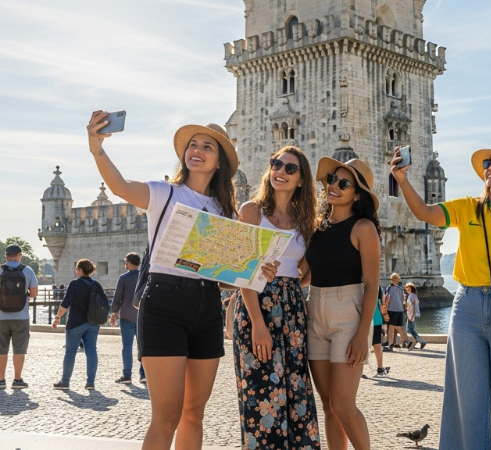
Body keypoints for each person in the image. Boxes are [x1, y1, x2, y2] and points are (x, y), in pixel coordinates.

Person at [86, 111, 238, 450]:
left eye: (207, 147)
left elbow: (227, 275)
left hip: (208, 305)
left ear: (219, 162)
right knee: (166, 416)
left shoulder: (226, 211)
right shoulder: (164, 193)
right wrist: (98, 149)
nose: (196, 150)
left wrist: (254, 271)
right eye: (192, 145)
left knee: (194, 414)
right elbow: (121, 188)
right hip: (165, 303)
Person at [391, 143, 491, 450]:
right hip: (467, 305)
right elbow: (426, 213)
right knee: (468, 401)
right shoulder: (467, 207)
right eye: (489, 162)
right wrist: (402, 180)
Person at [233, 146, 321, 449]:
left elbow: (304, 275)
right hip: (257, 305)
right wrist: (258, 323)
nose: (280, 172)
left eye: (290, 168)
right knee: (262, 395)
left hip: (293, 309)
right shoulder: (251, 211)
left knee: (296, 391)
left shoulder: (305, 220)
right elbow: (241, 272)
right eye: (276, 164)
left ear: (300, 180)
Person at [304, 157, 381, 450]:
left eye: (343, 183)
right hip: (315, 310)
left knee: (343, 405)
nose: (334, 186)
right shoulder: (316, 225)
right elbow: (304, 274)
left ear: (357, 194)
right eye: (333, 179)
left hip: (348, 313)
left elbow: (372, 284)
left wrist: (363, 334)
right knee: (327, 406)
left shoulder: (363, 228)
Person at [52, 259, 102, 390]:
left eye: (76, 269)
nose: (75, 271)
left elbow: (65, 303)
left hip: (76, 322)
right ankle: (90, 383)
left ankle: (65, 381)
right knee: (91, 351)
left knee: (70, 352)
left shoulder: (75, 284)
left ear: (80, 270)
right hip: (93, 323)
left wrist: (58, 317)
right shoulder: (96, 284)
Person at [0, 244, 38, 390]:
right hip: (21, 316)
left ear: (6, 256)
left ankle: (1, 381)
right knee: (19, 349)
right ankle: (17, 380)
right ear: (19, 255)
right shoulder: (27, 271)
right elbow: (34, 293)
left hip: (1, 317)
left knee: (1, 349)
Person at [110, 252, 146, 384]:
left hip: (126, 317)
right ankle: (143, 374)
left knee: (127, 347)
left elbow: (117, 297)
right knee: (142, 347)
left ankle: (127, 375)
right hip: (142, 318)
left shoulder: (123, 278)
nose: (125, 264)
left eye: (126, 262)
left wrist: (113, 313)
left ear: (130, 263)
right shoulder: (145, 277)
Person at [383, 273, 411, 349]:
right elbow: (403, 299)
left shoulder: (389, 288)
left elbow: (388, 299)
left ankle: (391, 344)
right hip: (400, 310)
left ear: (393, 279)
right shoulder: (400, 289)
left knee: (391, 327)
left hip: (392, 309)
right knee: (398, 326)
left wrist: (385, 307)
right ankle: (397, 342)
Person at [371, 287, 389, 377]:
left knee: (376, 344)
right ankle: (380, 368)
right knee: (376, 345)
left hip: (373, 319)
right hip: (376, 319)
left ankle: (380, 369)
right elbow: (382, 303)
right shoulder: (378, 287)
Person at [404, 283, 426, 350]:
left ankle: (421, 341)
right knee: (411, 330)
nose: (407, 290)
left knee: (409, 330)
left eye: (409, 289)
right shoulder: (414, 295)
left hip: (411, 315)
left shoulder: (411, 296)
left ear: (412, 289)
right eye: (406, 289)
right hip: (414, 314)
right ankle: (417, 341)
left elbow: (411, 307)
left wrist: (405, 304)